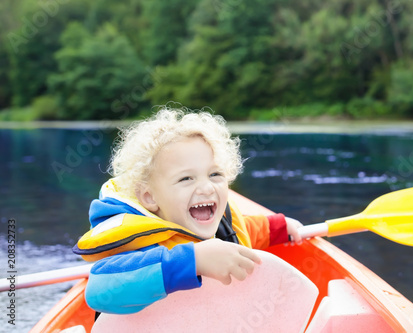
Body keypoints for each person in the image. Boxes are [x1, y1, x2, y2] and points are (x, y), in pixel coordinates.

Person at [73, 106, 303, 314]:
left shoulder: (222, 223)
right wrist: (194, 261)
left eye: (215, 174)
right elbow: (99, 290)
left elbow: (246, 230)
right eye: (186, 178)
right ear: (149, 197)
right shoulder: (138, 245)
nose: (206, 187)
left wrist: (279, 227)